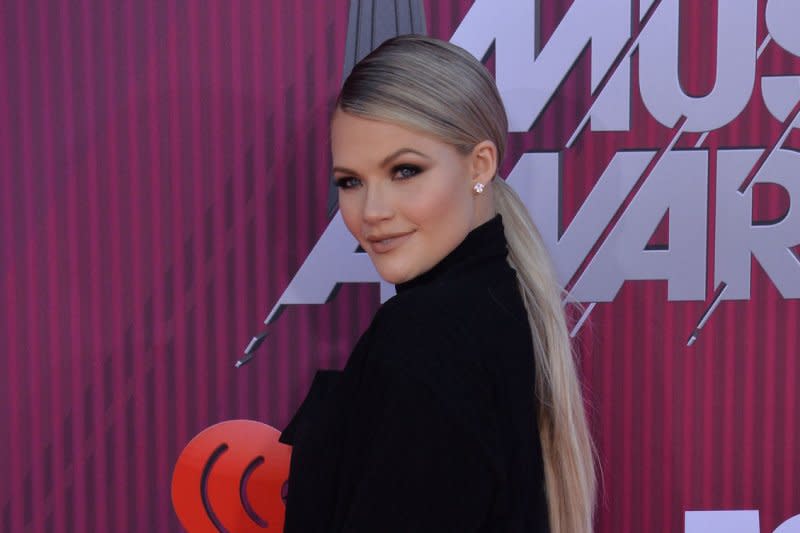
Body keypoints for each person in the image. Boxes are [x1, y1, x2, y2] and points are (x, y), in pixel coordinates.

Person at [278, 34, 596, 532]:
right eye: (350, 181)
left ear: (480, 165)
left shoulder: (424, 332)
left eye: (405, 170)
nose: (372, 212)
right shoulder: (501, 300)